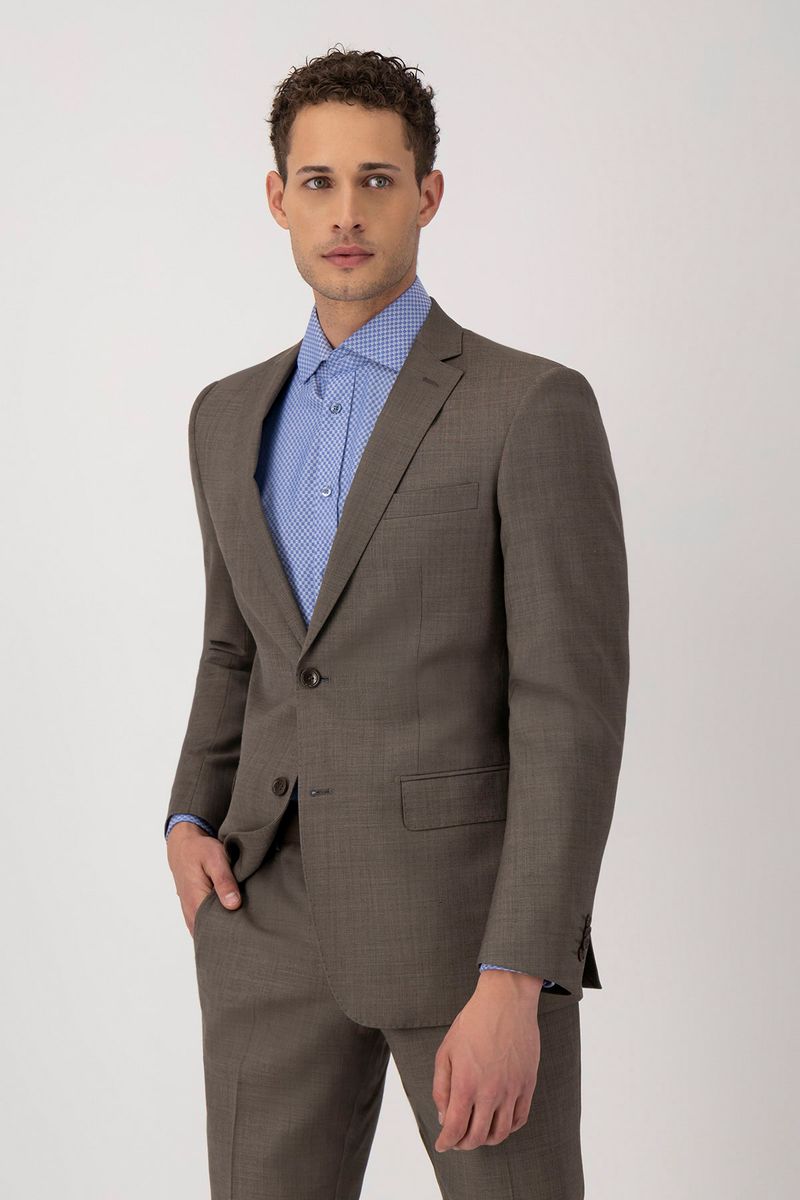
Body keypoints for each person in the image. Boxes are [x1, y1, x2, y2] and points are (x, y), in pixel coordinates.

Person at [164, 45, 629, 1200]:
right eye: (317, 182)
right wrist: (186, 815)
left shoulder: (528, 405)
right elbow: (235, 645)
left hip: (464, 937)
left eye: (376, 180)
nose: (345, 213)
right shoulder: (225, 416)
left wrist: (518, 972)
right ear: (276, 197)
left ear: (427, 194)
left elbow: (567, 711)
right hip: (262, 925)